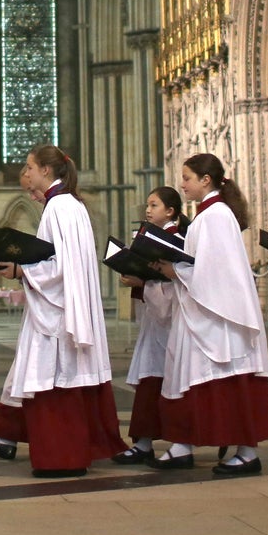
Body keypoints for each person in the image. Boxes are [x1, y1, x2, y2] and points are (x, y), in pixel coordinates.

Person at [0, 145, 128, 478]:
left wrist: (21, 271)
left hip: (58, 315)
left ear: (46, 170)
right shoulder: (65, 205)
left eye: (29, 167)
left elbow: (60, 267)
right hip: (57, 307)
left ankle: (62, 457)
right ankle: (11, 439)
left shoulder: (60, 207)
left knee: (53, 382)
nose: (25, 173)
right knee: (33, 372)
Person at [150, 153, 268, 475]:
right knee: (187, 376)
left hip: (219, 315)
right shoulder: (208, 215)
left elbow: (216, 273)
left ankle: (247, 452)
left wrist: (175, 270)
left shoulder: (216, 216)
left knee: (226, 380)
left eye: (188, 178)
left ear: (206, 180)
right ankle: (183, 444)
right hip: (200, 309)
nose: (182, 184)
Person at [114, 185, 184, 465]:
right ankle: (143, 443)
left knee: (171, 381)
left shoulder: (175, 239)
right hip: (153, 322)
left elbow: (176, 280)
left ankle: (180, 443)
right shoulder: (151, 237)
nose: (148, 209)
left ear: (170, 211)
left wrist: (143, 281)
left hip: (172, 322)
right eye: (147, 205)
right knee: (148, 381)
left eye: (154, 205)